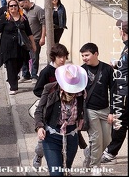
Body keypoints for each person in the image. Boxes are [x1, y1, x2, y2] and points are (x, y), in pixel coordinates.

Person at [34, 64, 88, 176]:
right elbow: (39, 111)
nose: (71, 92)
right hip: (52, 135)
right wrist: (39, 127)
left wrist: (82, 119)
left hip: (72, 135)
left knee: (65, 170)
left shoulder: (81, 93)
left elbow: (82, 110)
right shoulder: (50, 89)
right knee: (56, 173)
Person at [31, 43, 70, 169]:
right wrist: (48, 95)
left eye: (64, 57)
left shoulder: (66, 70)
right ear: (53, 57)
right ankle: (39, 155)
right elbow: (37, 90)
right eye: (59, 57)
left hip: (65, 109)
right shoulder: (46, 72)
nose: (62, 60)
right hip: (48, 110)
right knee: (44, 139)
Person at [0, 0, 36, 95]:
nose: (13, 8)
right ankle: (13, 87)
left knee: (19, 64)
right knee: (10, 65)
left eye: (15, 5)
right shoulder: (4, 18)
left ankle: (11, 78)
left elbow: (29, 32)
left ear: (18, 7)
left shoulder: (23, 18)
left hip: (20, 47)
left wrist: (33, 44)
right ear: (8, 8)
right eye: (11, 6)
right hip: (7, 47)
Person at [79, 42, 115, 171]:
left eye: (87, 55)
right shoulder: (81, 70)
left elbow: (114, 90)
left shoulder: (107, 69)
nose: (84, 58)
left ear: (96, 54)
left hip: (105, 110)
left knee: (107, 140)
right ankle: (95, 167)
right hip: (90, 110)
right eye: (82, 55)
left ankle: (89, 153)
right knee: (96, 139)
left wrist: (112, 111)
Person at [101, 20, 128, 164]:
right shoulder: (126, 48)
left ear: (123, 32)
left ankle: (111, 152)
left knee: (119, 123)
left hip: (124, 93)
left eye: (120, 29)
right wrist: (118, 65)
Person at [18, 0, 46, 83]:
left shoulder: (38, 10)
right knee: (24, 57)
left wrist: (42, 37)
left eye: (22, 5)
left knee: (34, 58)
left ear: (26, 2)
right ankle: (26, 74)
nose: (21, 7)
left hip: (36, 39)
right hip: (25, 39)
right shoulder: (24, 12)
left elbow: (44, 24)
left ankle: (34, 75)